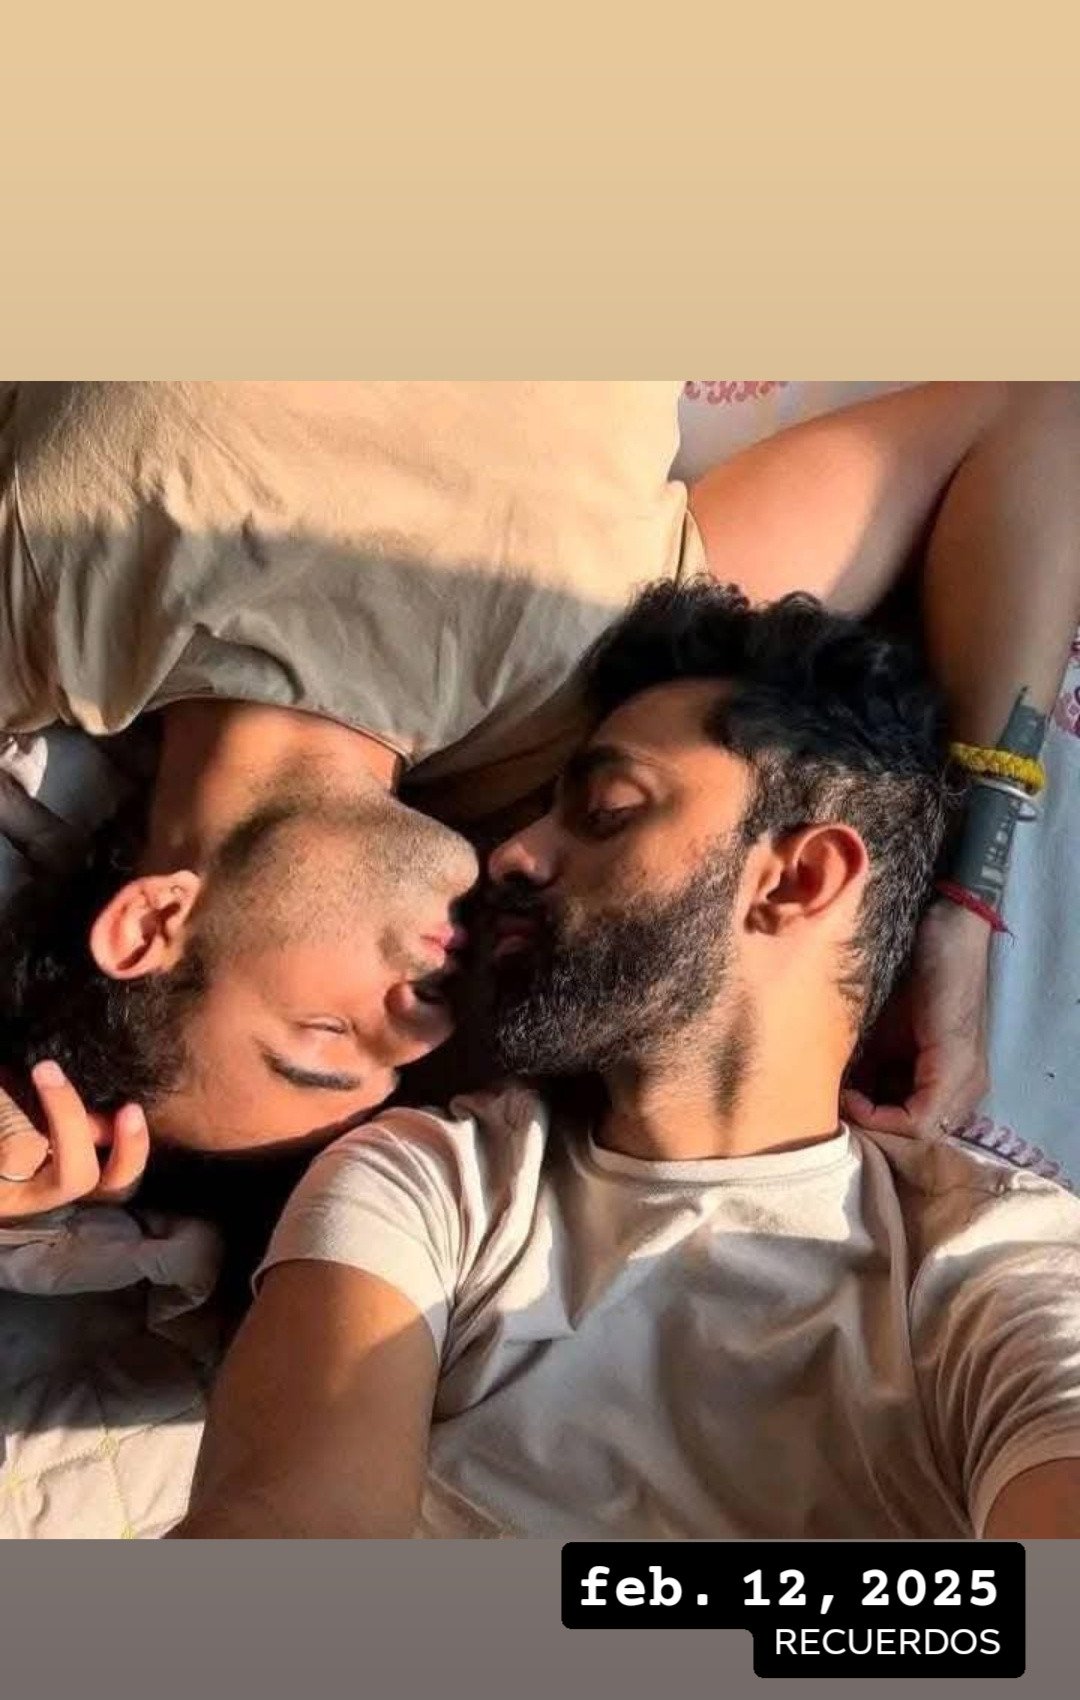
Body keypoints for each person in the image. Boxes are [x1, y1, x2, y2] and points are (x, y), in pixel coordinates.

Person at [172, 583, 1080, 1541]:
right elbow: (293, 1531)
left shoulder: (986, 1258)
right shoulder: (433, 1187)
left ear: (798, 879)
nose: (511, 855)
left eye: (606, 811)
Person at [1, 381, 1078, 1183]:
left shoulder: (43, 601)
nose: (416, 1033)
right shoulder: (592, 695)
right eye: (393, 1066)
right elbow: (1022, 426)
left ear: (152, 921)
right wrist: (965, 907)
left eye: (323, 1041)